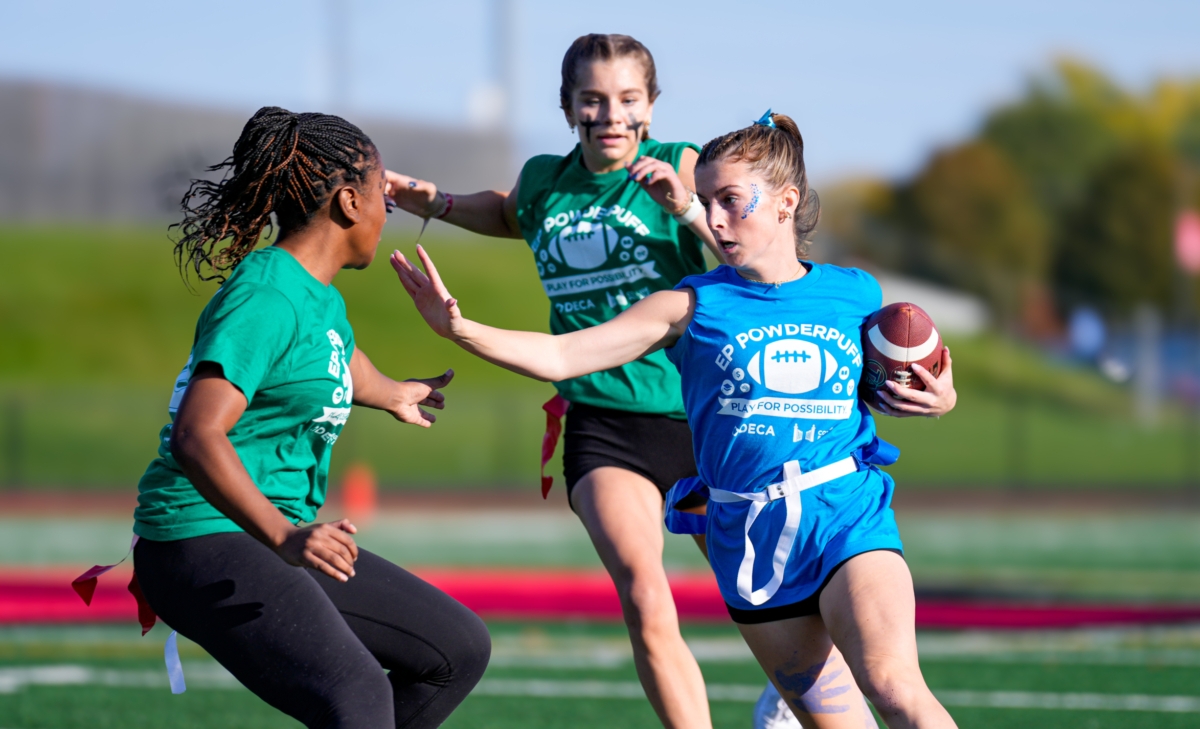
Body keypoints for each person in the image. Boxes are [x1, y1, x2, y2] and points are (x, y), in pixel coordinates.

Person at [391, 111, 959, 728]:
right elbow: (563, 354)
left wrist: (941, 398)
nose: (712, 218)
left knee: (893, 685)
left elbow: (895, 382)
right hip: (748, 538)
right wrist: (461, 328)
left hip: (846, 514)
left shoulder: (857, 294)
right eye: (706, 201)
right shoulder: (692, 302)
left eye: (730, 200)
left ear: (785, 202)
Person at [383, 34, 724, 727]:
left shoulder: (683, 165)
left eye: (628, 99)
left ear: (651, 107)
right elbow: (509, 212)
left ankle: (797, 698)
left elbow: (752, 267)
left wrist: (689, 208)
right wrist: (437, 202)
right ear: (568, 106)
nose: (611, 115)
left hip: (704, 418)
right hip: (606, 425)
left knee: (770, 590)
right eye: (592, 100)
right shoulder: (545, 180)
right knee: (644, 593)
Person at [132, 107, 491, 729]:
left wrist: (395, 393)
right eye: (384, 194)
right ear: (350, 203)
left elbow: (340, 362)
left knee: (455, 651)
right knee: (356, 699)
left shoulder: (316, 295)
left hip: (266, 535)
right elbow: (197, 433)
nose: (390, 209)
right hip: (199, 537)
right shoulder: (267, 295)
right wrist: (285, 537)